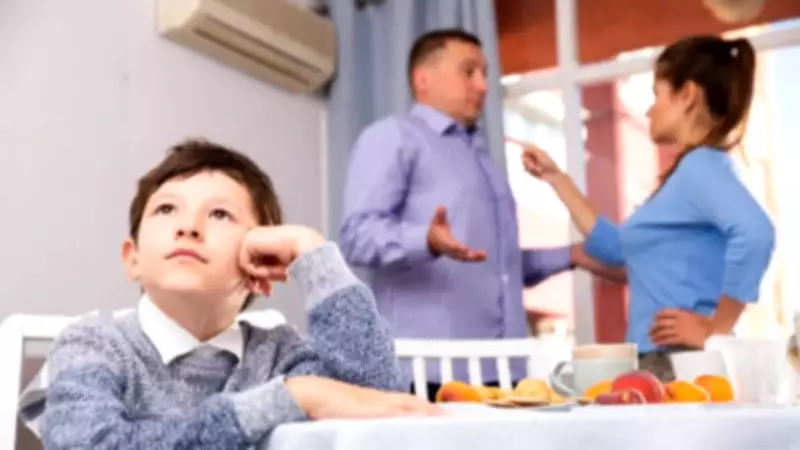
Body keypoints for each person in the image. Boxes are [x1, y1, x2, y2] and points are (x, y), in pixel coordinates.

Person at [29, 140, 440, 450]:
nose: (189, 226)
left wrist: (312, 252)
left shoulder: (281, 354)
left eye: (220, 214)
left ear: (259, 259)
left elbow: (380, 405)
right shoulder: (93, 344)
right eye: (167, 209)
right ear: (132, 258)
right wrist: (291, 398)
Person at [339, 28, 624, 400]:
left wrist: (570, 255)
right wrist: (425, 240)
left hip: (502, 370)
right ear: (423, 79)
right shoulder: (393, 137)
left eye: (485, 73)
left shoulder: (484, 160)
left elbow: (496, 267)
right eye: (468, 71)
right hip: (426, 374)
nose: (483, 85)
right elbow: (355, 236)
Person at [519, 35, 775, 381]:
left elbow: (756, 233)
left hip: (677, 362)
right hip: (663, 359)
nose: (649, 109)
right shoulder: (688, 175)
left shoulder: (700, 166)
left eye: (657, 94)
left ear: (688, 95)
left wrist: (717, 328)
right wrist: (555, 177)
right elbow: (614, 249)